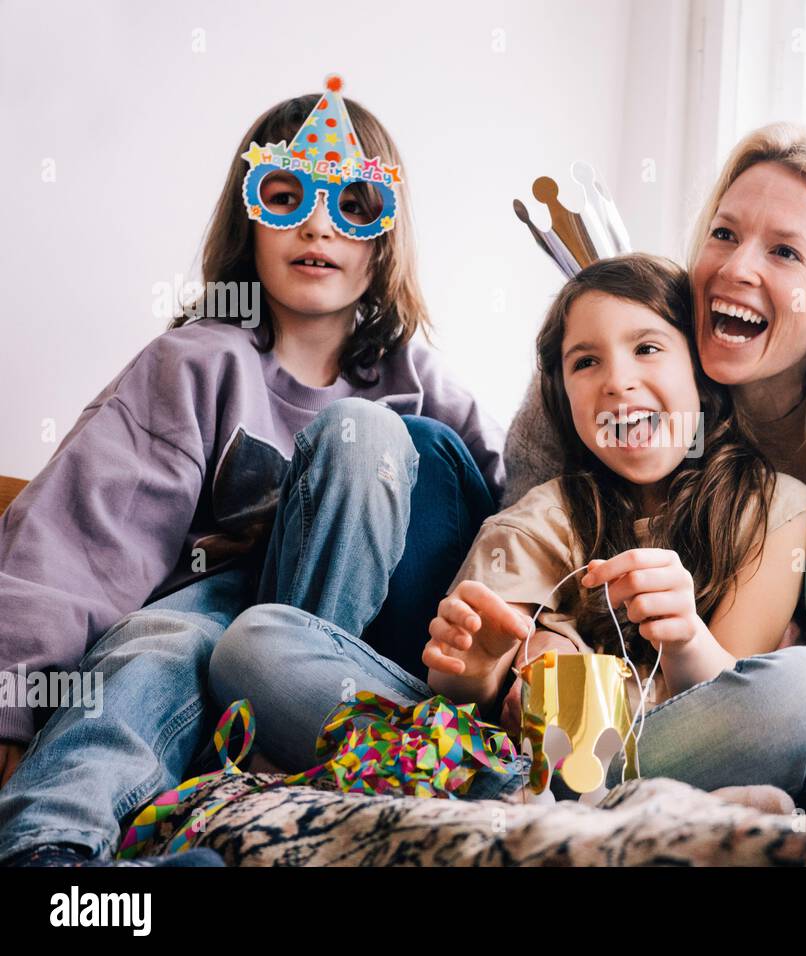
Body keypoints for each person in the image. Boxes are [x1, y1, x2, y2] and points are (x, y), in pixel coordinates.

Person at [0, 79, 503, 866]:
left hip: (375, 665)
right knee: (157, 641)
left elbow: (526, 516)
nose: (316, 225)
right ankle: (55, 853)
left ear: (383, 239)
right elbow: (78, 537)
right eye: (287, 195)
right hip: (222, 621)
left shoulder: (423, 385)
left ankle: (268, 777)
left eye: (354, 206)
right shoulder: (195, 365)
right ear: (250, 220)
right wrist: (13, 698)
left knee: (363, 435)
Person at [216, 254, 806, 811]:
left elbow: (729, 689)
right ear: (565, 402)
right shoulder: (547, 514)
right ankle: (557, 799)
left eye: (647, 347)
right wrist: (478, 669)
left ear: (700, 367)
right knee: (254, 642)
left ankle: (511, 797)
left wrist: (686, 637)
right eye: (586, 363)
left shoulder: (777, 507)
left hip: (659, 743)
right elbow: (454, 703)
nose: (617, 380)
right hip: (497, 753)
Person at [504, 123, 806, 506]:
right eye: (724, 234)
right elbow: (520, 541)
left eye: (785, 252)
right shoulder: (585, 385)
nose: (735, 269)